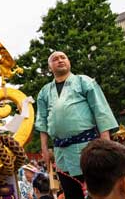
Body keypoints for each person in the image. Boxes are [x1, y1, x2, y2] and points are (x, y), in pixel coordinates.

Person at [35, 51, 118, 199]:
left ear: (69, 62)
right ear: (50, 68)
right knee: (71, 192)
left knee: (97, 191)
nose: (60, 60)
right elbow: (41, 120)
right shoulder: (44, 92)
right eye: (55, 59)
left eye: (63, 58)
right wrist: (44, 149)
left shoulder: (83, 81)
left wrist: (105, 139)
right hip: (61, 151)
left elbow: (100, 109)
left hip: (87, 146)